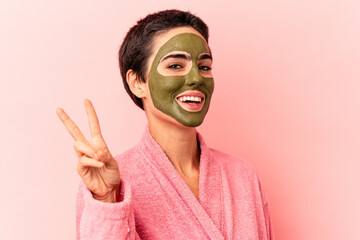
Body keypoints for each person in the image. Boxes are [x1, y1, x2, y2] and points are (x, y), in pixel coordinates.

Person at [56, 9, 274, 240]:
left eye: (204, 67)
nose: (196, 78)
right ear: (137, 82)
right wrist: (107, 200)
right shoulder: (108, 183)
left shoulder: (242, 175)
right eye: (175, 66)